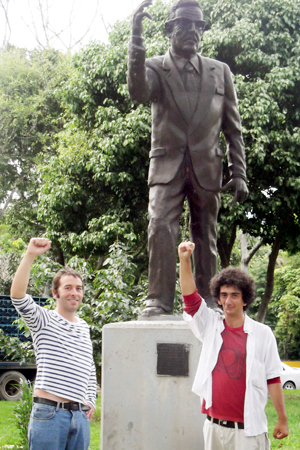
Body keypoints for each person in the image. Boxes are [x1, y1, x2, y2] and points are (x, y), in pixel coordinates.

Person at [128, 0, 248, 316]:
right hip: (166, 165)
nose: (192, 31)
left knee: (206, 234)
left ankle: (208, 300)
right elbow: (138, 92)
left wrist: (240, 171)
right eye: (184, 24)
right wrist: (136, 40)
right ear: (169, 29)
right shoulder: (154, 66)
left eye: (197, 26)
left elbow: (233, 128)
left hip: (207, 166)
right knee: (159, 227)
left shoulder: (220, 71)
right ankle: (158, 300)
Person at [178, 241, 289, 450]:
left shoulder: (263, 334)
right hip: (214, 429)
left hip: (247, 432)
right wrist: (184, 261)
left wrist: (282, 419)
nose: (228, 301)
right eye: (224, 295)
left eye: (234, 295)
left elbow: (273, 378)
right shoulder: (210, 325)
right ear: (218, 299)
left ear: (245, 299)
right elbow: (190, 299)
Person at [10, 237, 97, 450]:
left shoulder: (84, 326)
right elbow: (18, 296)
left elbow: (90, 367)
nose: (74, 293)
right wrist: (30, 255)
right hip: (49, 415)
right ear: (56, 293)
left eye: (79, 288)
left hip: (79, 416)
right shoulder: (43, 320)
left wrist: (91, 399)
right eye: (68, 288)